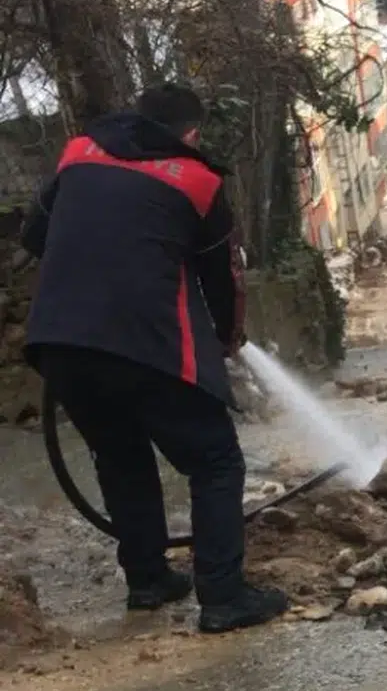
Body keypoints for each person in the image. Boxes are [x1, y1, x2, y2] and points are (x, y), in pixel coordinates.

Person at [21, 84, 290, 634]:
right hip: (148, 343)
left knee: (120, 457)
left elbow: (33, 235)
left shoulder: (79, 154)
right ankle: (223, 595)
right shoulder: (198, 182)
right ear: (190, 134)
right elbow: (223, 279)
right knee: (215, 462)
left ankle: (147, 580)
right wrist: (226, 339)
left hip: (60, 342)